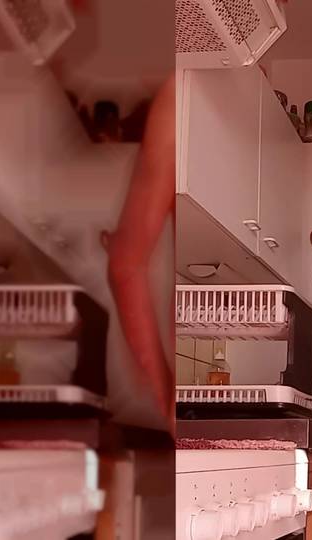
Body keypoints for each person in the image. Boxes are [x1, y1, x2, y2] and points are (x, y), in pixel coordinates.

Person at [101, 74, 176, 426]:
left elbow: (124, 265)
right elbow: (124, 265)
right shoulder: (255, 97)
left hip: (194, 377)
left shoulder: (181, 97)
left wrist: (164, 389)